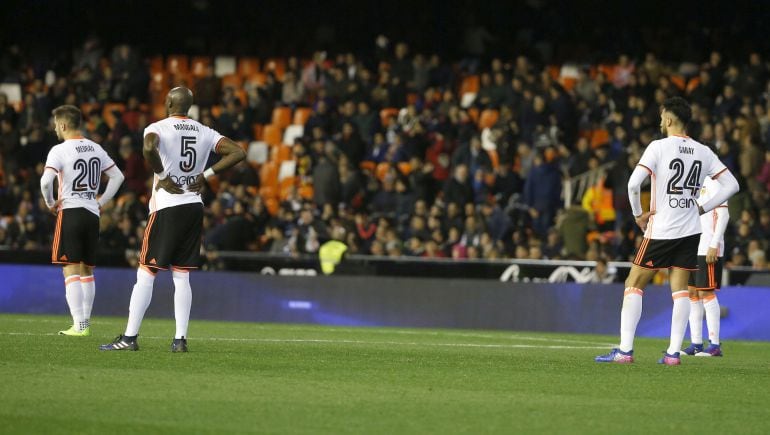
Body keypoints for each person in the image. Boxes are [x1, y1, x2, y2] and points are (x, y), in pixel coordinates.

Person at [100, 87, 245, 352]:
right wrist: (208, 175)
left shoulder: (158, 127)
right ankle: (180, 340)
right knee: (182, 276)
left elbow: (147, 147)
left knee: (146, 272)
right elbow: (238, 152)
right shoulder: (204, 131)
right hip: (193, 207)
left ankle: (129, 338)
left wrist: (163, 175)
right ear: (188, 107)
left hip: (167, 206)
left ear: (168, 102)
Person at [595, 97, 739, 365]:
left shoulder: (658, 147)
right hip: (691, 231)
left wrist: (638, 214)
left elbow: (633, 184)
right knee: (681, 290)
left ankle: (625, 351)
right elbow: (732, 185)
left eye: (662, 117)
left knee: (634, 283)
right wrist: (703, 207)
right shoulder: (703, 151)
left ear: (670, 120)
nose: (661, 122)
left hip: (662, 228)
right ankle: (673, 353)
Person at [40, 105, 125, 336]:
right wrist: (102, 201)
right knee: (87, 269)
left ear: (64, 125)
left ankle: (79, 325)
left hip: (71, 211)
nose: (55, 128)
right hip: (92, 212)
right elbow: (118, 176)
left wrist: (50, 203)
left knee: (70, 269)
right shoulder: (96, 148)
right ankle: (84, 323)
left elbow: (46, 182)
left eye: (56, 124)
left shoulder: (59, 150)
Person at [682, 176, 728, 357]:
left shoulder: (715, 183)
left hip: (707, 246)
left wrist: (714, 244)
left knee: (706, 292)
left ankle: (715, 345)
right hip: (691, 245)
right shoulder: (690, 182)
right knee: (692, 293)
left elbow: (723, 216)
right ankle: (696, 343)